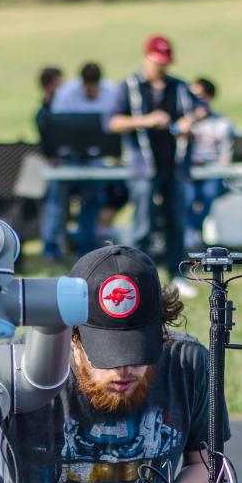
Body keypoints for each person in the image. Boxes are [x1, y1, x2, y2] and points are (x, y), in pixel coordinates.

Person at [0, 245, 223, 483]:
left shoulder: (187, 363)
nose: (123, 369)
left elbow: (204, 465)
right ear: (71, 335)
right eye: (106, 355)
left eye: (139, 353)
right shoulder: (12, 369)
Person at [109, 36, 202, 298]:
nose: (162, 68)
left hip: (175, 167)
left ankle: (176, 275)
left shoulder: (179, 87)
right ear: (146, 57)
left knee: (177, 223)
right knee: (142, 226)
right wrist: (146, 120)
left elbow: (199, 111)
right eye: (157, 62)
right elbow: (112, 122)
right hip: (143, 167)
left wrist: (188, 123)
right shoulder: (129, 86)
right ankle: (135, 278)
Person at [47, 62, 119, 258]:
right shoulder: (66, 95)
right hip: (67, 159)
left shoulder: (112, 92)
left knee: (92, 203)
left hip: (97, 159)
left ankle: (86, 249)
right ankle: (51, 249)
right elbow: (55, 126)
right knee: (57, 203)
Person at [186, 77, 234, 251]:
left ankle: (190, 236)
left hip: (211, 172)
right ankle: (191, 236)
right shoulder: (184, 122)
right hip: (187, 173)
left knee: (209, 193)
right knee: (187, 197)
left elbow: (226, 156)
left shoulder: (221, 124)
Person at [35, 66, 65, 261]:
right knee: (54, 203)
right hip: (52, 166)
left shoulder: (61, 108)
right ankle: (50, 248)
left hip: (66, 164)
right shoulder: (44, 113)